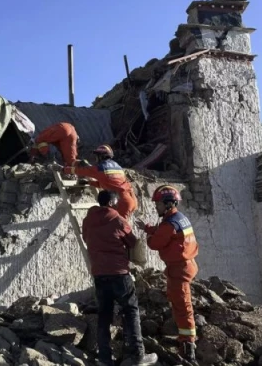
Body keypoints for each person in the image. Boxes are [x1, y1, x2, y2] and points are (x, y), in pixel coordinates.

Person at [82, 190, 158, 366]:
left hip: (99, 275)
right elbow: (132, 243)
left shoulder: (88, 220)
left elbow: (87, 238)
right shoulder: (118, 220)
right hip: (119, 274)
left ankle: (104, 359)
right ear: (111, 203)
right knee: (131, 311)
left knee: (104, 315)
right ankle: (138, 355)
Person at [144, 185, 199, 364]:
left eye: (158, 203)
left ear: (167, 204)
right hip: (185, 265)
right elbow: (166, 233)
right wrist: (148, 228)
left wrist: (148, 237)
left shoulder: (169, 224)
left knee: (183, 306)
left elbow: (155, 243)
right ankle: (184, 339)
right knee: (179, 302)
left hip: (179, 269)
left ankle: (188, 345)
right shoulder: (177, 218)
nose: (156, 207)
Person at [64, 144, 138, 219]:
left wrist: (64, 170)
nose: (96, 159)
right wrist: (89, 182)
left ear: (101, 156)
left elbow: (79, 170)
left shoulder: (100, 168)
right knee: (119, 227)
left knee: (116, 228)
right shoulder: (117, 167)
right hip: (132, 199)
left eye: (96, 156)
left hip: (122, 202)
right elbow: (108, 184)